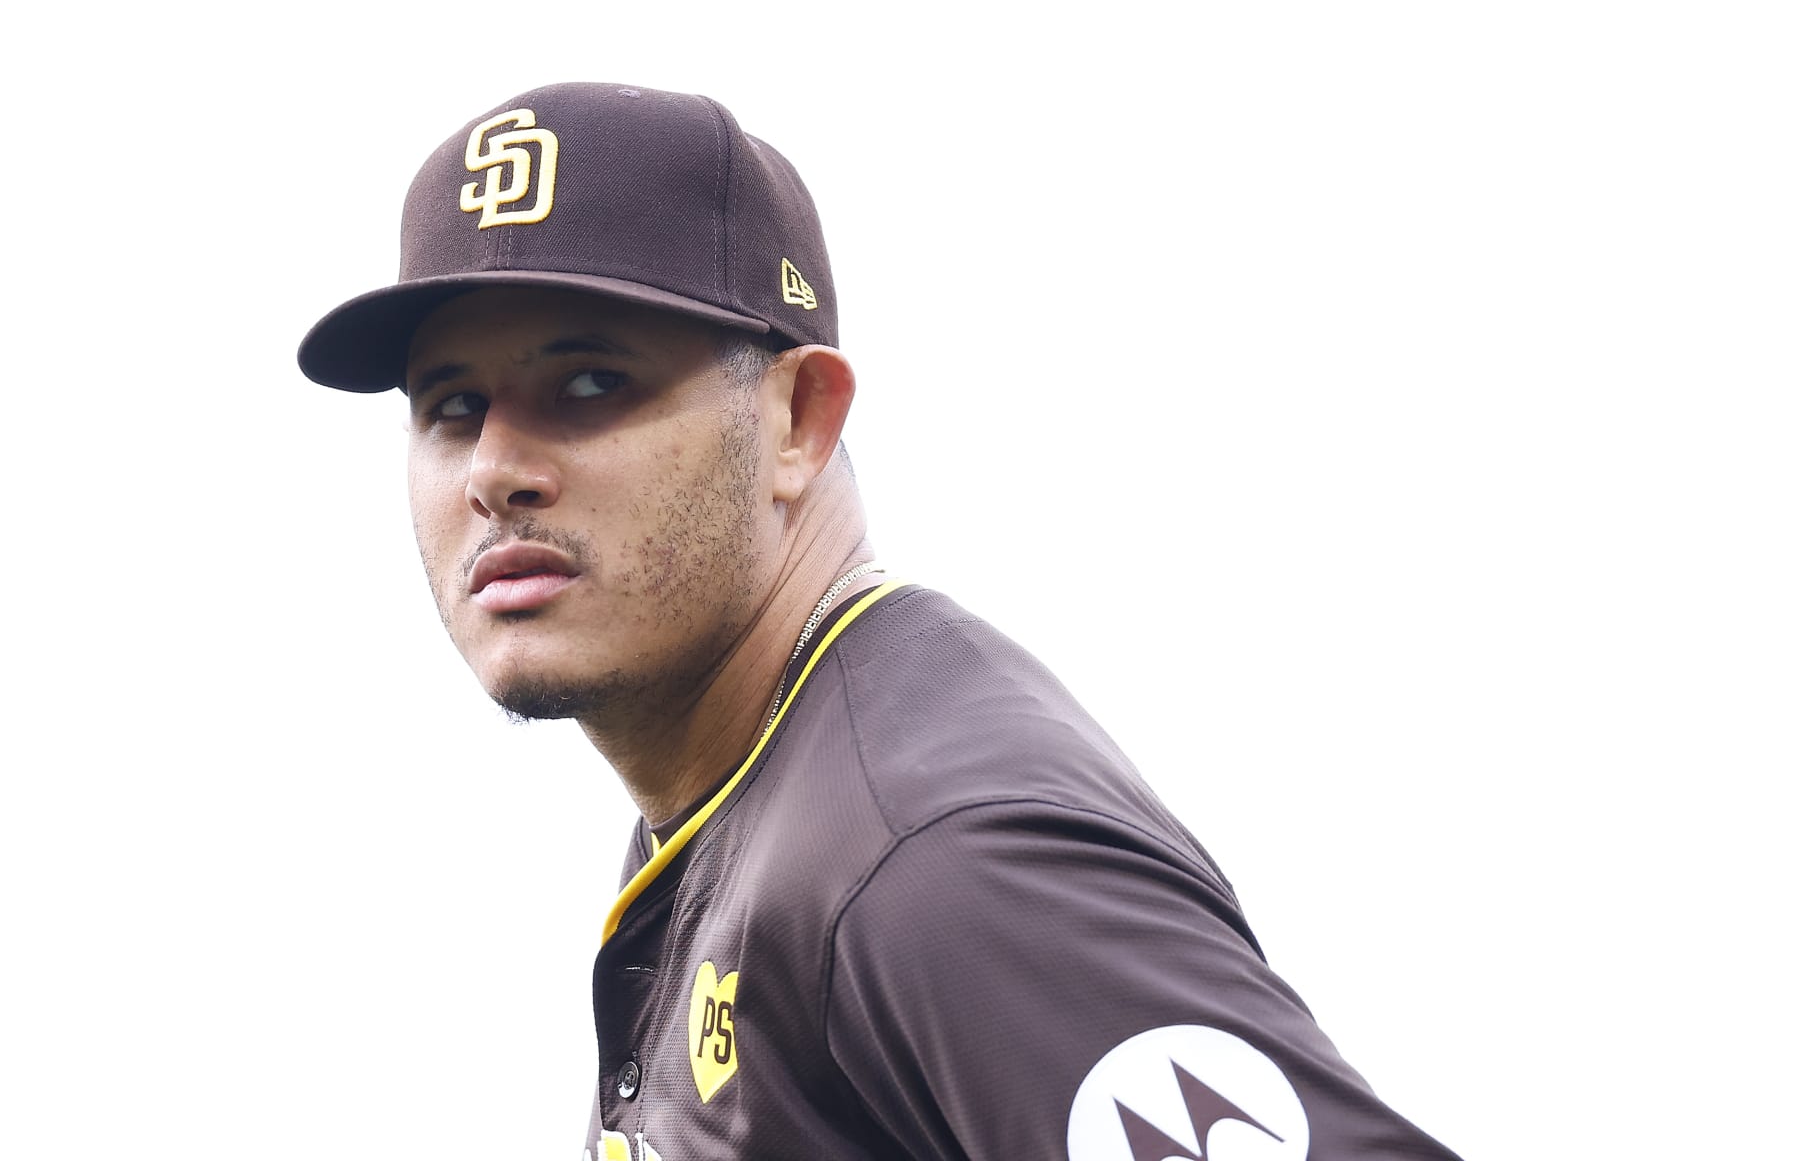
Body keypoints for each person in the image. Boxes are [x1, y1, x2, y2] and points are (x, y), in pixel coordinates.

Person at [298, 81, 1462, 1161]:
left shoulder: (929, 860)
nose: (496, 470)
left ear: (801, 419)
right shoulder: (741, 779)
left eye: (591, 382)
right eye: (451, 407)